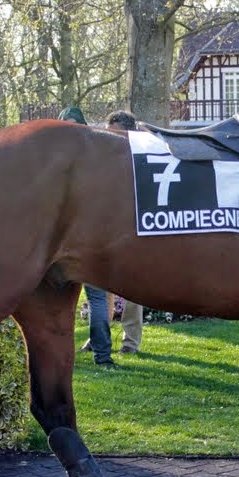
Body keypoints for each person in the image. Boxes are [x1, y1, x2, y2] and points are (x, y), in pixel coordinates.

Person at [59, 107, 118, 369]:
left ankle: (61, 356)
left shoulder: (54, 160)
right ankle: (102, 356)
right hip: (87, 238)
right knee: (95, 299)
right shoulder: (98, 156)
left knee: (59, 301)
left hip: (62, 239)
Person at [106, 110, 145, 354]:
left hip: (136, 231)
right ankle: (100, 338)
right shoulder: (106, 158)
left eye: (115, 133)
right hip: (109, 231)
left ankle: (131, 342)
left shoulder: (140, 155)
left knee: (133, 289)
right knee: (101, 289)